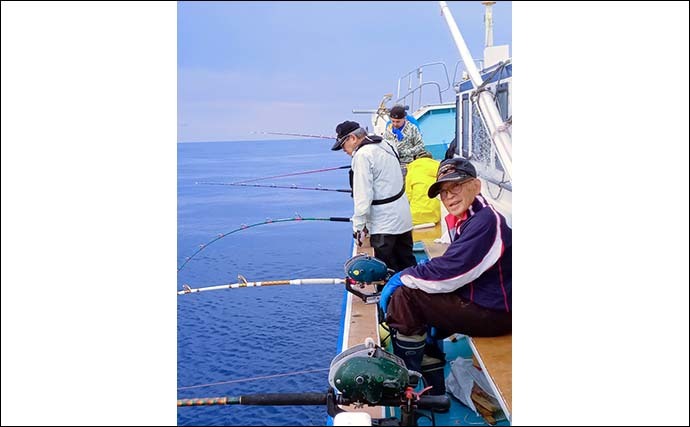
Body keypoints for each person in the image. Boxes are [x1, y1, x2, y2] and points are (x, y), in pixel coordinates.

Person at [379, 157, 511, 395]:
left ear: (476, 185)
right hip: (485, 301)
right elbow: (453, 266)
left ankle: (404, 384)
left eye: (456, 187)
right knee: (418, 294)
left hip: (496, 312)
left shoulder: (486, 221)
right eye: (444, 191)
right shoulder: (467, 217)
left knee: (405, 297)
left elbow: (451, 272)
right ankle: (430, 369)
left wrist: (402, 277)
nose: (449, 197)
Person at [331, 120, 417, 274]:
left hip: (384, 224)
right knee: (407, 263)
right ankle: (415, 296)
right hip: (403, 216)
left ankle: (390, 298)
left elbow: (363, 196)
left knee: (386, 271)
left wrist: (358, 228)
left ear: (352, 138)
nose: (343, 150)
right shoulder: (387, 144)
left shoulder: (363, 155)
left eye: (343, 145)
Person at [383, 105, 426, 174]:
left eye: (398, 122)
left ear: (404, 118)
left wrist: (406, 152)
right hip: (392, 165)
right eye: (393, 121)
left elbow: (421, 146)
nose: (395, 124)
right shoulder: (388, 129)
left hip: (408, 165)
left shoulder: (412, 128)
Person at [404, 150, 440, 225]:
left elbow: (408, 196)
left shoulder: (412, 170)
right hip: (435, 215)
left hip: (415, 216)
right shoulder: (439, 168)